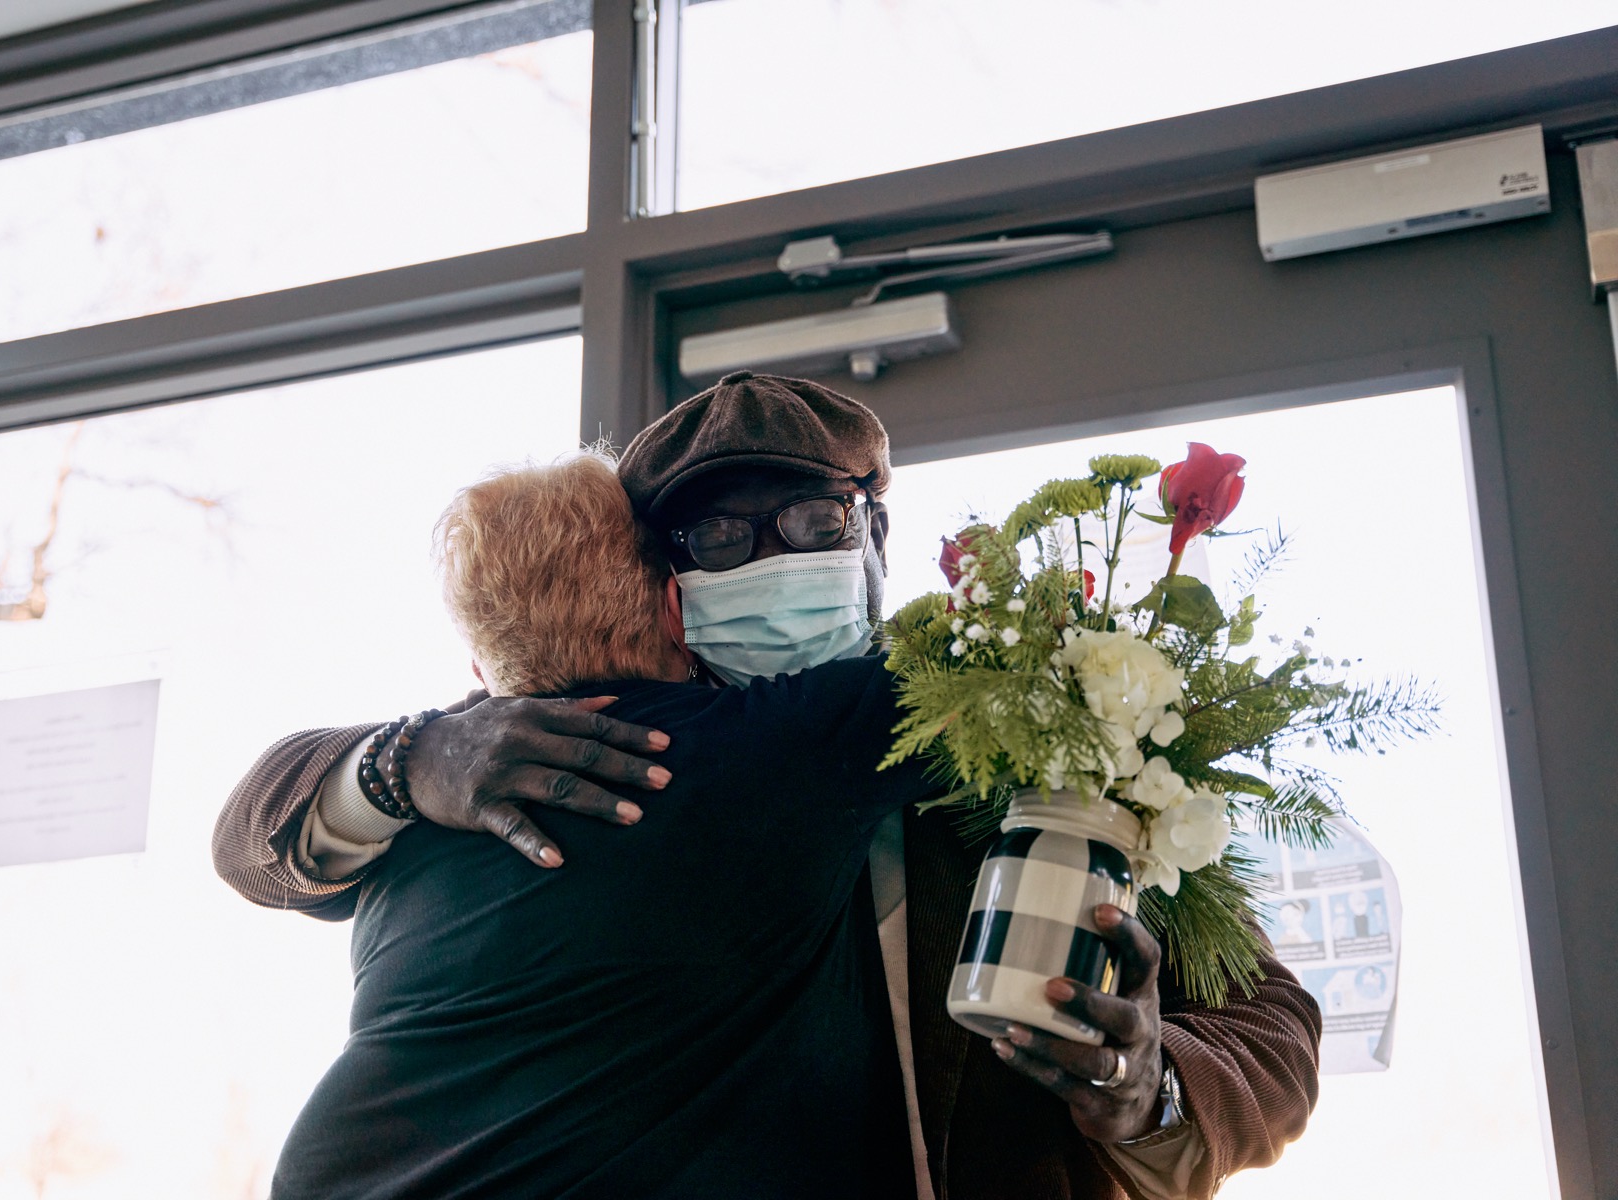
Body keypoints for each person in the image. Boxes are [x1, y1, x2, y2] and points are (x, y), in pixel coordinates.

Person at [214, 372, 1322, 1200]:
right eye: (716, 537)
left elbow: (1272, 1025)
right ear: (664, 584)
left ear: (875, 533)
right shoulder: (560, 758)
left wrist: (1148, 1092)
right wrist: (405, 761)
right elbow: (255, 835)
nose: (769, 561)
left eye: (810, 524)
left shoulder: (1050, 744)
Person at [272, 451, 937, 1197]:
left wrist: (410, 756)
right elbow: (1025, 669)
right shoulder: (782, 743)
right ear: (674, 609)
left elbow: (263, 850)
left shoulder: (418, 817)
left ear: (482, 675)